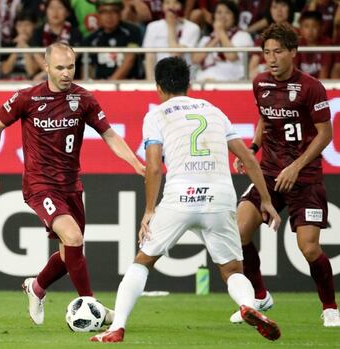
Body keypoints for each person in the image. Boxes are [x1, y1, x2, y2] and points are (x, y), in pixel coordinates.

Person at [91, 56, 282, 343]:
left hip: (181, 196)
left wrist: (149, 211)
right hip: (219, 195)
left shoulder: (156, 115)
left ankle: (116, 327)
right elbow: (247, 158)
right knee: (231, 269)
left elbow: (154, 167)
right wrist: (266, 200)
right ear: (188, 84)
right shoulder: (214, 110)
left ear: (158, 87)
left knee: (142, 261)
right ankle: (246, 304)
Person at [0, 42, 145, 326]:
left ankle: (37, 287)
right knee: (73, 238)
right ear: (46, 66)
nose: (66, 73)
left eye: (70, 67)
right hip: (40, 185)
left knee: (70, 252)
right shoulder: (27, 98)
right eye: (60, 67)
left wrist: (135, 163)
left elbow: (110, 135)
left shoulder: (84, 99)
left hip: (71, 185)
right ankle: (92, 306)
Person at [231, 23, 340, 327]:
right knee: (238, 232)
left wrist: (296, 166)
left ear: (293, 52)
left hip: (304, 177)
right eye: (266, 52)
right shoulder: (260, 83)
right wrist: (253, 147)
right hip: (269, 173)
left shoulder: (311, 86)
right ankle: (260, 295)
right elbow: (264, 118)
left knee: (309, 248)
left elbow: (325, 134)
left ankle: (330, 306)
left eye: (278, 51)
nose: (272, 57)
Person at [191, 0, 253, 82]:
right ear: (214, 16)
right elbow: (195, 59)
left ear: (235, 17)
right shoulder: (207, 39)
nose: (222, 16)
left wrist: (221, 31)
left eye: (227, 12)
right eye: (219, 12)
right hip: (204, 80)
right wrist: (216, 39)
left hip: (231, 82)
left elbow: (231, 57)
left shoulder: (243, 35)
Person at [84, 0, 143, 80]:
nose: (109, 16)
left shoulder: (132, 31)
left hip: (128, 84)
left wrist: (110, 84)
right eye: (104, 12)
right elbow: (88, 68)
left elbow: (130, 59)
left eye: (114, 11)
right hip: (100, 85)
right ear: (98, 15)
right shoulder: (92, 38)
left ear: (119, 14)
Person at [142, 0, 200, 80]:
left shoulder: (192, 28)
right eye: (167, 2)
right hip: (159, 79)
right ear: (162, 6)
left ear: (182, 6)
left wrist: (171, 26)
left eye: (176, 2)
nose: (171, 6)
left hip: (183, 80)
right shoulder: (152, 27)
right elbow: (149, 58)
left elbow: (175, 54)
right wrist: (150, 81)